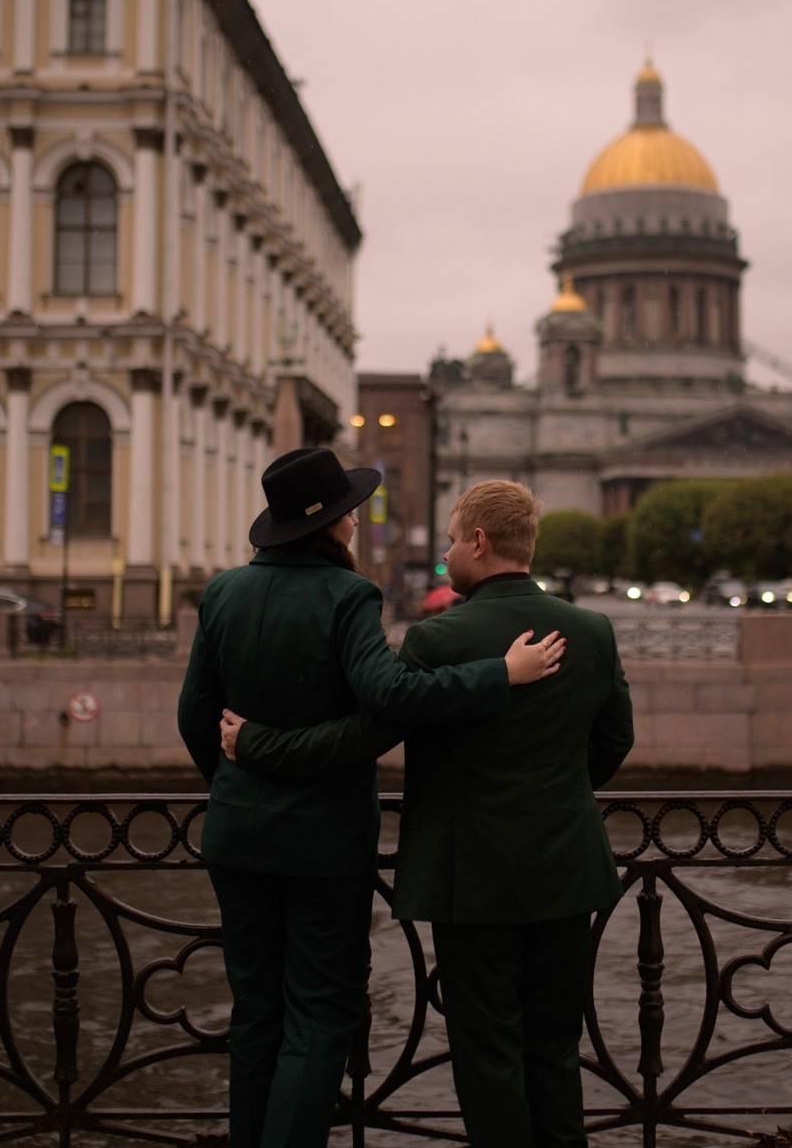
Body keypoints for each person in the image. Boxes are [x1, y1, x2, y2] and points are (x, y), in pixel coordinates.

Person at [222, 478, 635, 1148]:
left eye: (450, 540)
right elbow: (616, 740)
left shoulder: (438, 639)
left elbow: (365, 737)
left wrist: (257, 743)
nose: (446, 554)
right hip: (566, 868)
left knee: (489, 1051)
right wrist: (556, 798)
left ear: (479, 540)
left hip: (468, 876)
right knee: (556, 1045)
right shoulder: (591, 630)